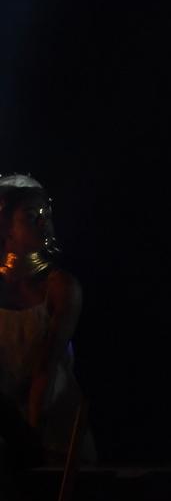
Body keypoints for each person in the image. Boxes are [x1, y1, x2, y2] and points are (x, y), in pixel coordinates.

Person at [0, 174, 94, 463]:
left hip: (55, 430)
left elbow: (46, 366)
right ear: (6, 228)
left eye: (46, 214)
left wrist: (31, 434)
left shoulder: (62, 287)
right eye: (30, 216)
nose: (43, 222)